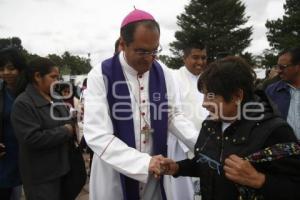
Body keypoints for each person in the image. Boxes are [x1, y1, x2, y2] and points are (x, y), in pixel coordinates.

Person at [84, 9, 198, 200]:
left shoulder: (163, 72)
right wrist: (143, 163)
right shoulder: (100, 74)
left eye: (155, 50)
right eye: (142, 51)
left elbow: (171, 115)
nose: (151, 58)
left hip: (155, 169)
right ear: (122, 44)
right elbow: (97, 134)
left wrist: (201, 143)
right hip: (115, 171)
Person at [161, 56, 300, 200]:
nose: (204, 104)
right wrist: (178, 168)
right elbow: (207, 163)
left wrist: (260, 180)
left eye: (211, 96)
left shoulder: (274, 131)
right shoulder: (211, 124)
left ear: (237, 96)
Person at [11, 57, 84, 200]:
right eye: (53, 77)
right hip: (41, 176)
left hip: (63, 169)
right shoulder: (23, 104)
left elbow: (66, 119)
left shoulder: (55, 98)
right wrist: (66, 131)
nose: (57, 81)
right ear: (38, 76)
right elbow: (32, 138)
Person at [165, 43, 209, 200]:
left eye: (203, 57)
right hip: (181, 146)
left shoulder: (208, 79)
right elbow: (173, 113)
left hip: (207, 143)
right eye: (195, 57)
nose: (200, 62)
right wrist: (194, 142)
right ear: (184, 58)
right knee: (183, 192)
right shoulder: (174, 78)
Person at [0, 47, 27, 200]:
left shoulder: (30, 91)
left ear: (20, 68)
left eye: (11, 68)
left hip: (28, 149)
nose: (5, 72)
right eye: (1, 68)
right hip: (5, 153)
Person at [265, 47, 300, 141]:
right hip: (285, 151)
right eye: (277, 67)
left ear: (297, 66)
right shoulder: (272, 91)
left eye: (282, 67)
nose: (278, 71)